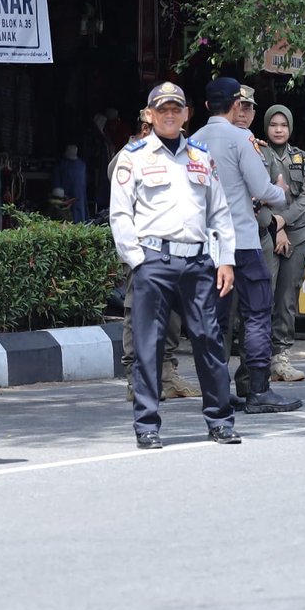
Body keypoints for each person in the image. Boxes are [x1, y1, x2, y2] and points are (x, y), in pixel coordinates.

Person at [108, 81, 241, 449]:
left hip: (199, 262)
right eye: (162, 109)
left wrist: (225, 260)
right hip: (154, 260)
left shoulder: (201, 157)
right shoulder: (132, 158)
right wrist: (138, 262)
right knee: (148, 346)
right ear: (149, 115)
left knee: (210, 342)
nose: (169, 115)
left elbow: (220, 213)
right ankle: (147, 425)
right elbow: (120, 216)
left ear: (186, 115)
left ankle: (220, 420)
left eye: (175, 109)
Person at [193, 77, 302, 414]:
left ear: (206, 106)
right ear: (237, 105)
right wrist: (280, 191)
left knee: (216, 320)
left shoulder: (192, 141)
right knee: (256, 313)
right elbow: (262, 188)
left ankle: (217, 392)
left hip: (208, 245)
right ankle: (258, 390)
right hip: (242, 240)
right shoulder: (241, 138)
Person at [112, 108, 198, 403]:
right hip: (142, 250)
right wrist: (136, 257)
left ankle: (166, 373)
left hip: (172, 250)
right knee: (138, 313)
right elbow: (120, 210)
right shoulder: (130, 156)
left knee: (172, 315)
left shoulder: (180, 155)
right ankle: (136, 379)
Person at [258, 104, 305, 383]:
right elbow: (255, 196)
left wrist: (283, 220)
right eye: (273, 125)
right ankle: (258, 356)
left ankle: (280, 357)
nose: (278, 129)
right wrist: (275, 225)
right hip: (265, 235)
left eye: (283, 125)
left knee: (287, 299)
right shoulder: (257, 154)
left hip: (298, 236)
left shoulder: (300, 157)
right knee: (262, 297)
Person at [52, 144, 89, 223]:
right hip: (66, 196)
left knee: (76, 216)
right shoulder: (61, 164)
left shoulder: (82, 165)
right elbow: (57, 182)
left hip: (78, 196)